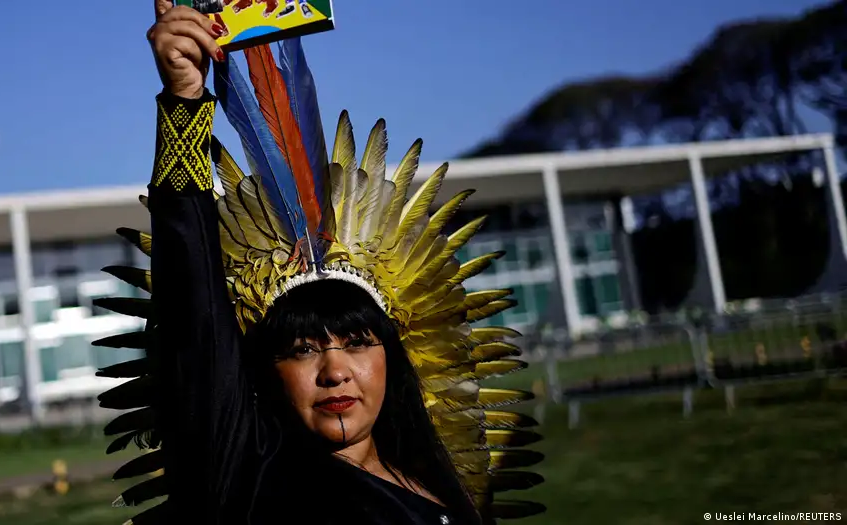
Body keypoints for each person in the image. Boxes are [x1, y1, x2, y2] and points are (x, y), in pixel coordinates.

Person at [89, 3, 546, 524]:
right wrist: (184, 104)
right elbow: (196, 316)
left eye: (356, 342)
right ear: (263, 376)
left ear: (395, 358)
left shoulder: (437, 482)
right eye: (302, 349)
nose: (334, 372)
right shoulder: (255, 481)